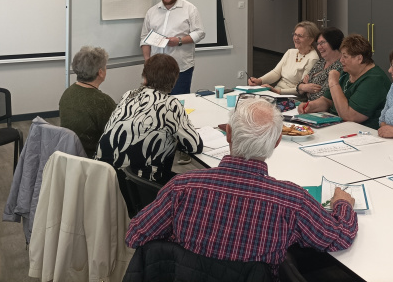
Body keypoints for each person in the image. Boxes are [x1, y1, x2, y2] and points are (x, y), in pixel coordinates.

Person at [125, 95, 358, 280]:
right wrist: (343, 204)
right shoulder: (292, 200)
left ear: (228, 133)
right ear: (277, 142)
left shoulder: (182, 187)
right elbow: (340, 237)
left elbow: (135, 235)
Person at [96, 54, 202, 183]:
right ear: (175, 79)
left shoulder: (129, 95)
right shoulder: (170, 104)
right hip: (139, 183)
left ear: (145, 76)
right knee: (194, 182)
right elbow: (195, 146)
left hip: (104, 177)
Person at [298, 34, 390, 129]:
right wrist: (311, 106)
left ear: (359, 58)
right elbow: (327, 100)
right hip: (341, 127)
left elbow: (349, 116)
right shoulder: (347, 71)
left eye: (345, 57)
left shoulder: (374, 80)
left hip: (363, 131)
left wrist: (333, 82)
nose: (341, 60)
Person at [140, 0, 205, 96]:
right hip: (155, 70)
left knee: (178, 101)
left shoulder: (190, 9)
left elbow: (200, 33)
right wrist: (147, 62)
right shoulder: (152, 12)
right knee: (155, 101)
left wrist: (179, 41)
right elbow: (144, 38)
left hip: (181, 69)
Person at [59, 46, 116, 157]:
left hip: (69, 154)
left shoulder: (67, 93)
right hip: (91, 159)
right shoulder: (103, 102)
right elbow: (115, 136)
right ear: (100, 72)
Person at [248, 21, 319, 95]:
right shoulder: (290, 52)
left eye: (300, 36)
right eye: (295, 34)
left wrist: (278, 91)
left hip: (292, 96)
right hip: (277, 91)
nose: (296, 38)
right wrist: (259, 81)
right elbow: (276, 73)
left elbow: (302, 88)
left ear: (311, 40)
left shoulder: (312, 58)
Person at [296, 27, 344, 101]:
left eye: (322, 43)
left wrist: (306, 89)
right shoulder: (321, 62)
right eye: (318, 44)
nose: (318, 47)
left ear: (333, 42)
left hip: (321, 106)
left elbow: (323, 96)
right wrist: (304, 87)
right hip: (306, 103)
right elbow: (298, 87)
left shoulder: (341, 66)